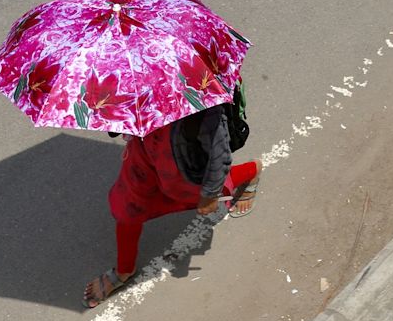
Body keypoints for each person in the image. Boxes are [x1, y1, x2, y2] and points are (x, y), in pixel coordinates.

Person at [82, 103, 262, 308]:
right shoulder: (135, 78)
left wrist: (210, 194)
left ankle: (252, 170)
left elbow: (219, 154)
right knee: (128, 206)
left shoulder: (202, 104)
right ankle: (124, 269)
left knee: (200, 195)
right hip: (143, 152)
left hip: (180, 165)